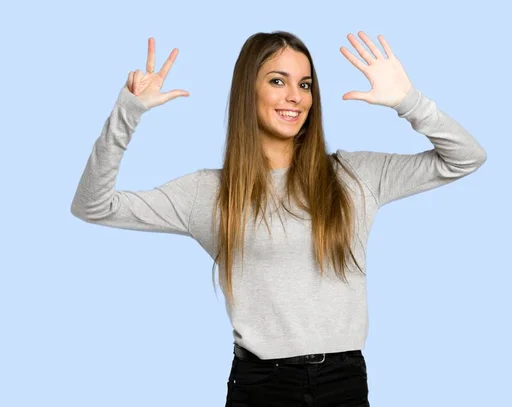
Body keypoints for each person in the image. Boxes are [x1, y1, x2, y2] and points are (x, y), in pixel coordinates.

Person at [71, 30, 487, 406]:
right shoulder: (212, 193)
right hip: (262, 385)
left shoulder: (356, 175)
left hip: (343, 382)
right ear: (247, 91)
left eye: (304, 85)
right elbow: (93, 205)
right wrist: (128, 112)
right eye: (278, 81)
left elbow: (466, 158)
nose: (296, 96)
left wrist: (408, 102)